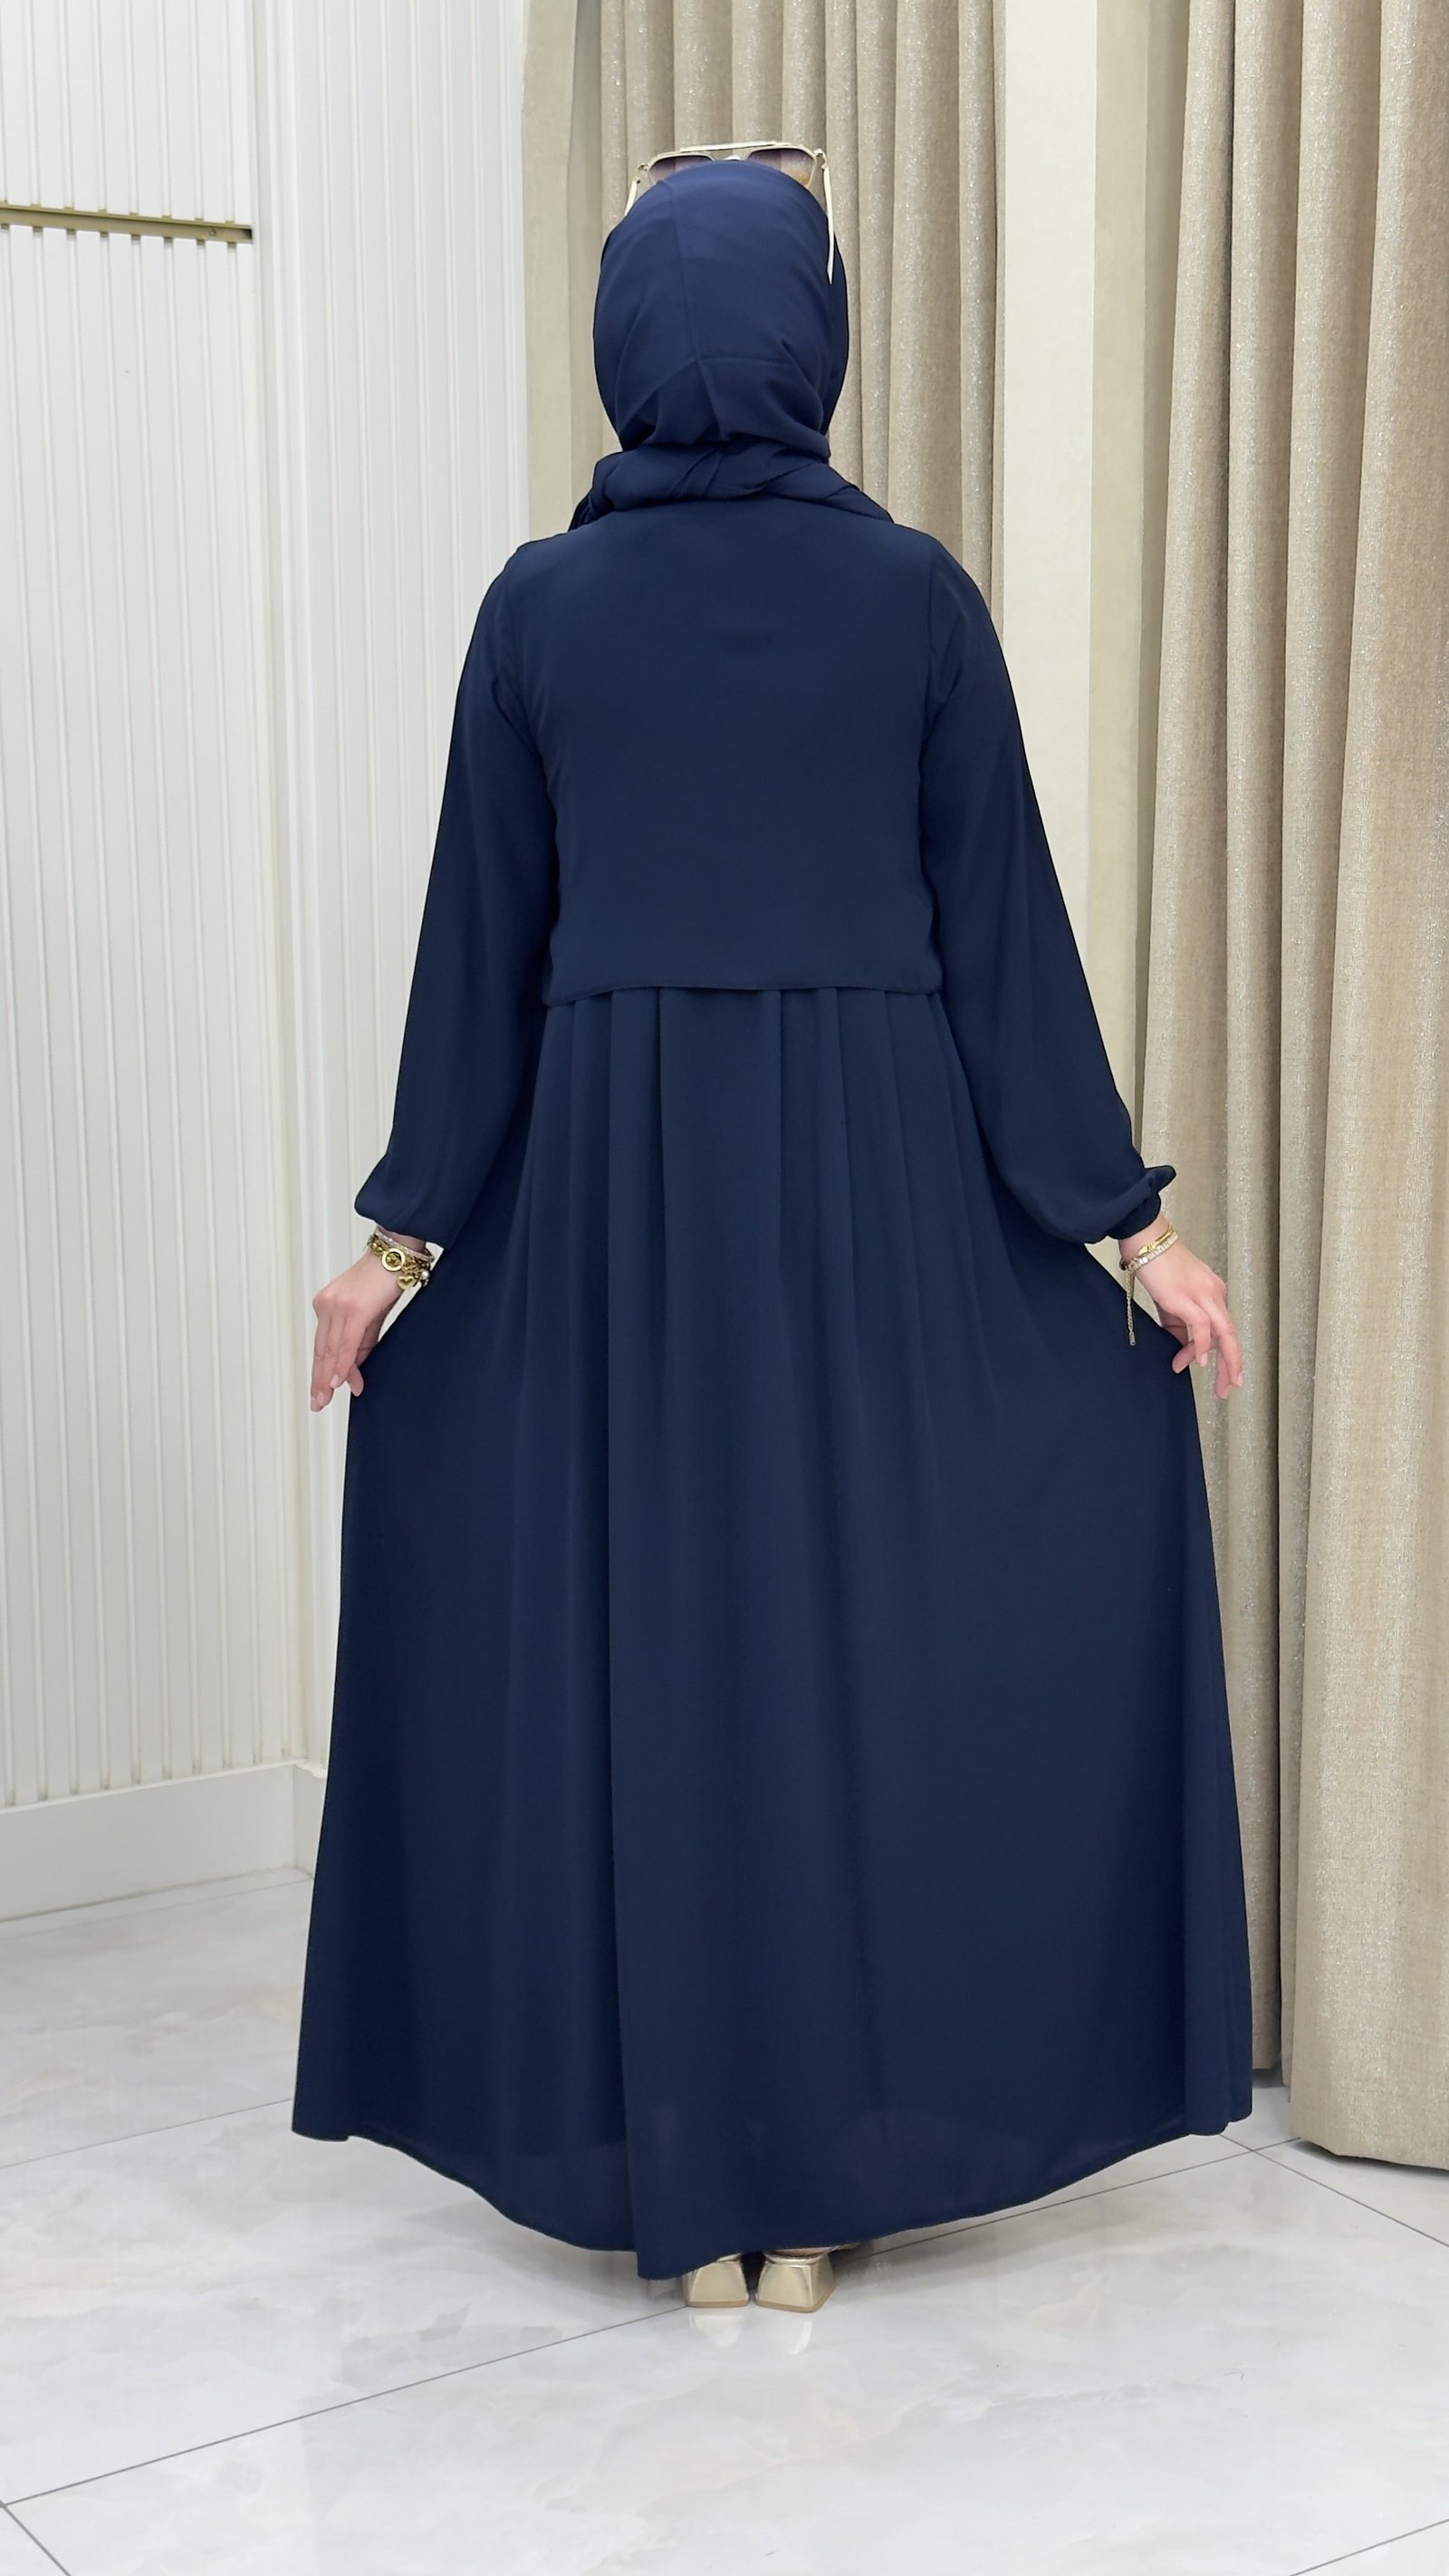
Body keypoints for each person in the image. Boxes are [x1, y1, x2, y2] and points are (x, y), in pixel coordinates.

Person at [293, 153, 1252, 2317]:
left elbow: (477, 961)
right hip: (877, 1192)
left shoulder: (538, 607)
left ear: (627, 336)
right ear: (811, 337)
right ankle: (810, 2186)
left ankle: (687, 2171)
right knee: (846, 1656)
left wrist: (400, 1247)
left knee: (661, 1653)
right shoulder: (912, 597)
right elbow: (1002, 947)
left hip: (607, 1205)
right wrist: (1118, 1231)